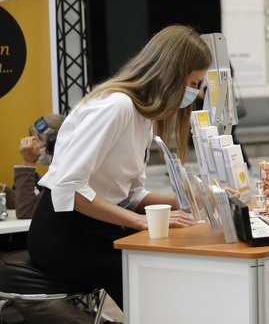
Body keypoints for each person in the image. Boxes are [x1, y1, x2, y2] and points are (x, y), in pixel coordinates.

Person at [27, 25, 209, 311]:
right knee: (149, 279)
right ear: (172, 73)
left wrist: (189, 200)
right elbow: (69, 188)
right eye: (194, 82)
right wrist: (138, 221)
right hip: (65, 236)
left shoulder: (143, 116)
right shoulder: (117, 106)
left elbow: (132, 195)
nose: (196, 92)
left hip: (98, 228)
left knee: (165, 266)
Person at [4, 114, 65, 219]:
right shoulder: (58, 171)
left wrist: (28, 163)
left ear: (54, 142)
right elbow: (28, 202)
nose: (32, 146)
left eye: (36, 140)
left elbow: (26, 211)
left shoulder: (65, 175)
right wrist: (3, 190)